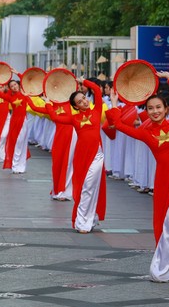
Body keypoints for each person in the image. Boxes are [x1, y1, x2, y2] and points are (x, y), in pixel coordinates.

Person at [107, 71, 169, 282]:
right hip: (163, 179)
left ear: (166, 109)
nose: (155, 111)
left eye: (158, 107)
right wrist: (113, 103)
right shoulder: (146, 133)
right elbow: (118, 125)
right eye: (150, 108)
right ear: (146, 111)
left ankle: (163, 268)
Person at [46, 78, 107, 233]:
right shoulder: (74, 118)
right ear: (75, 106)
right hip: (80, 156)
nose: (84, 102)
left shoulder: (97, 110)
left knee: (90, 186)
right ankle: (88, 218)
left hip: (96, 156)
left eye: (84, 98)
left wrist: (84, 81)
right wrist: (47, 103)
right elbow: (54, 117)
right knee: (83, 187)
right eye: (80, 102)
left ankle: (84, 221)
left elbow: (98, 91)